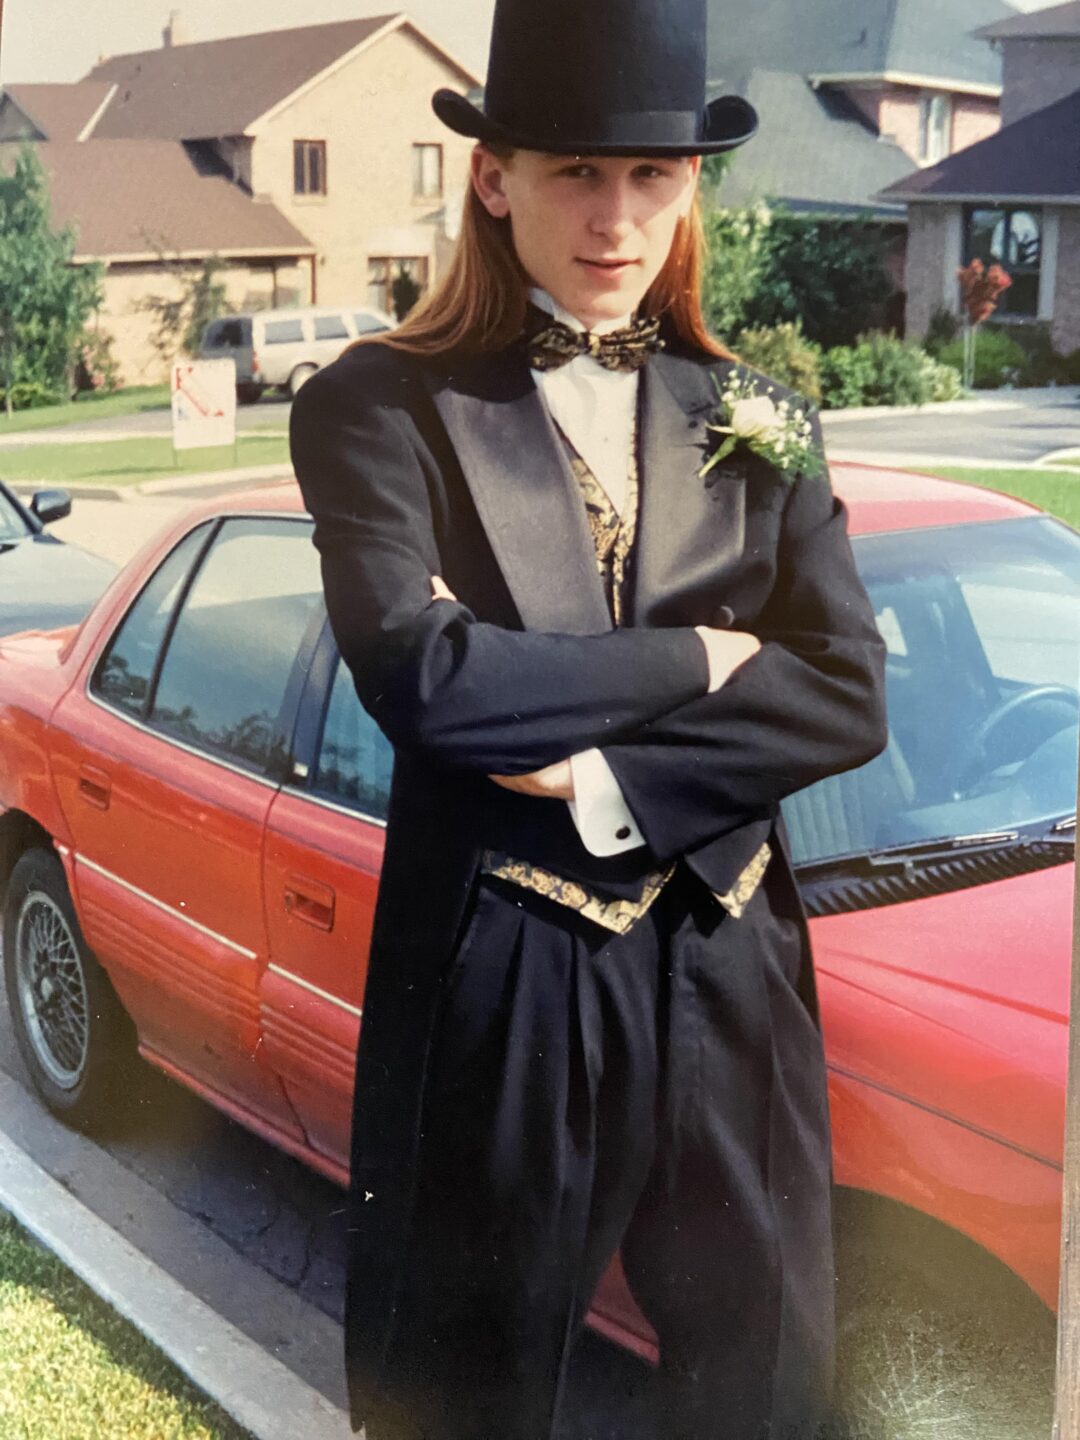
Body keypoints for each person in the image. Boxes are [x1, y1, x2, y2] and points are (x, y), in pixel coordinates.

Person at [289, 2, 889, 1436]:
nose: (616, 218)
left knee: (766, 1380)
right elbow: (434, 681)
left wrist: (609, 775)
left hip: (731, 956)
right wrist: (703, 652)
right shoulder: (382, 409)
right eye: (573, 169)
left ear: (691, 185)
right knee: (471, 1388)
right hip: (510, 966)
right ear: (493, 175)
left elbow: (848, 691)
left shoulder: (761, 414)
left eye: (652, 175)